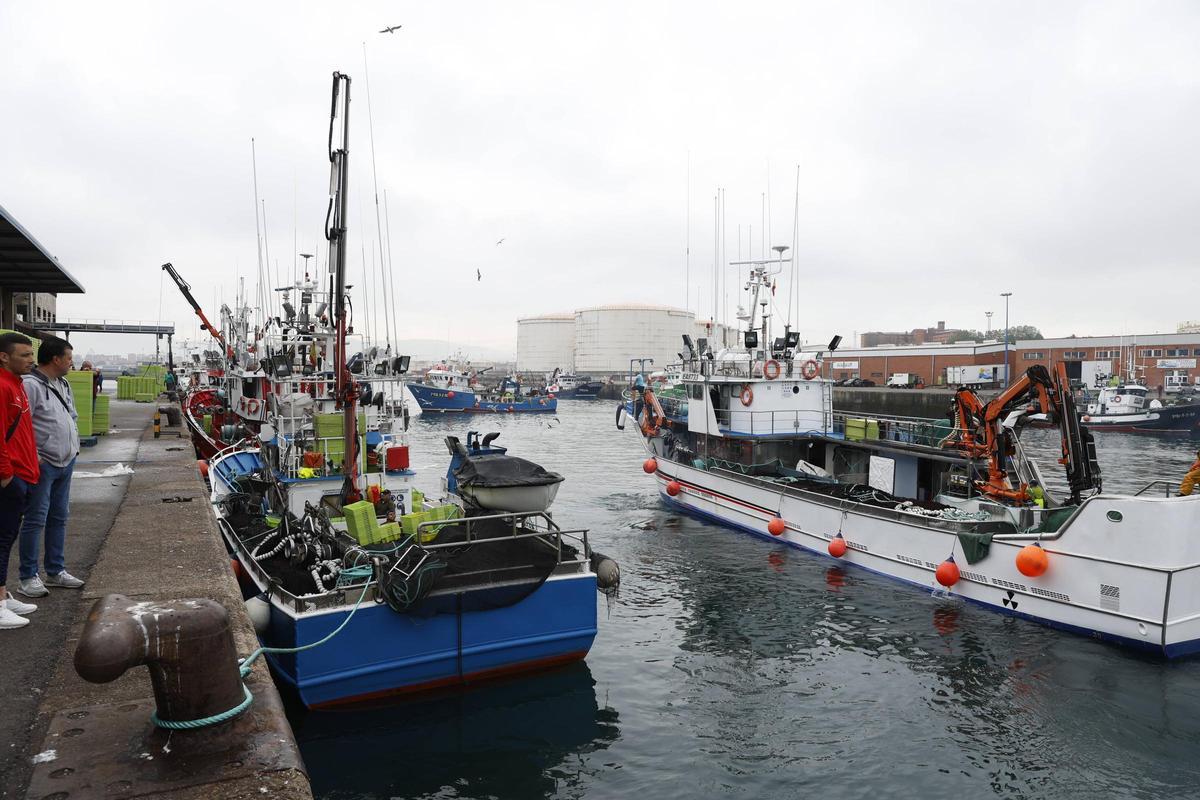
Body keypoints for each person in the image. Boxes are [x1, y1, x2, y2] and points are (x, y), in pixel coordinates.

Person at [17, 336, 84, 598]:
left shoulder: (63, 383)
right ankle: (27, 576)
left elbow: (71, 416)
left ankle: (55, 571)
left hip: (66, 461)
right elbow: (22, 425)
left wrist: (74, 447)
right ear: (56, 359)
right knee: (35, 519)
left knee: (59, 517)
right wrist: (34, 456)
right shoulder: (30, 386)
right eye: (68, 358)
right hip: (43, 464)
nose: (71, 362)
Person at [0, 332, 41, 629]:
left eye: (31, 354)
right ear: (4, 356)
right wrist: (6, 475)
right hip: (10, 477)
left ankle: (2, 595)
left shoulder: (17, 385)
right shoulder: (2, 387)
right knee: (1, 540)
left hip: (24, 474)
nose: (31, 359)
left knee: (7, 538)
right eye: (24, 355)